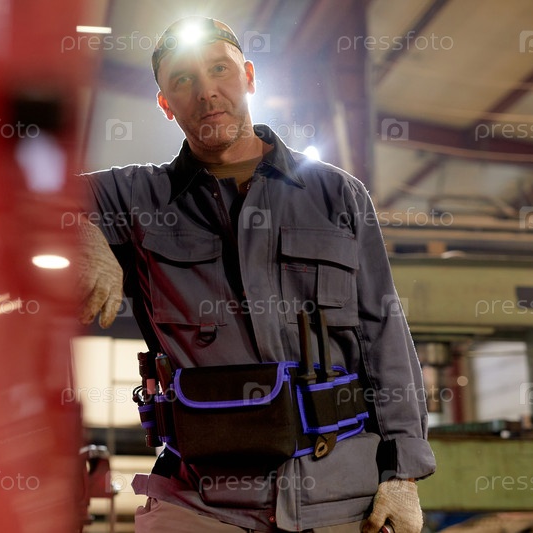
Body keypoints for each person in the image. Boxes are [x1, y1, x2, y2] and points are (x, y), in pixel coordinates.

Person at [75, 16, 436, 533]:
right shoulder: (136, 198)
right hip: (200, 502)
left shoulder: (336, 194)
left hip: (338, 497)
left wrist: (404, 473)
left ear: (248, 76)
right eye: (183, 80)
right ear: (165, 104)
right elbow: (6, 187)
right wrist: (77, 231)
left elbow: (385, 335)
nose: (206, 91)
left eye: (219, 70)